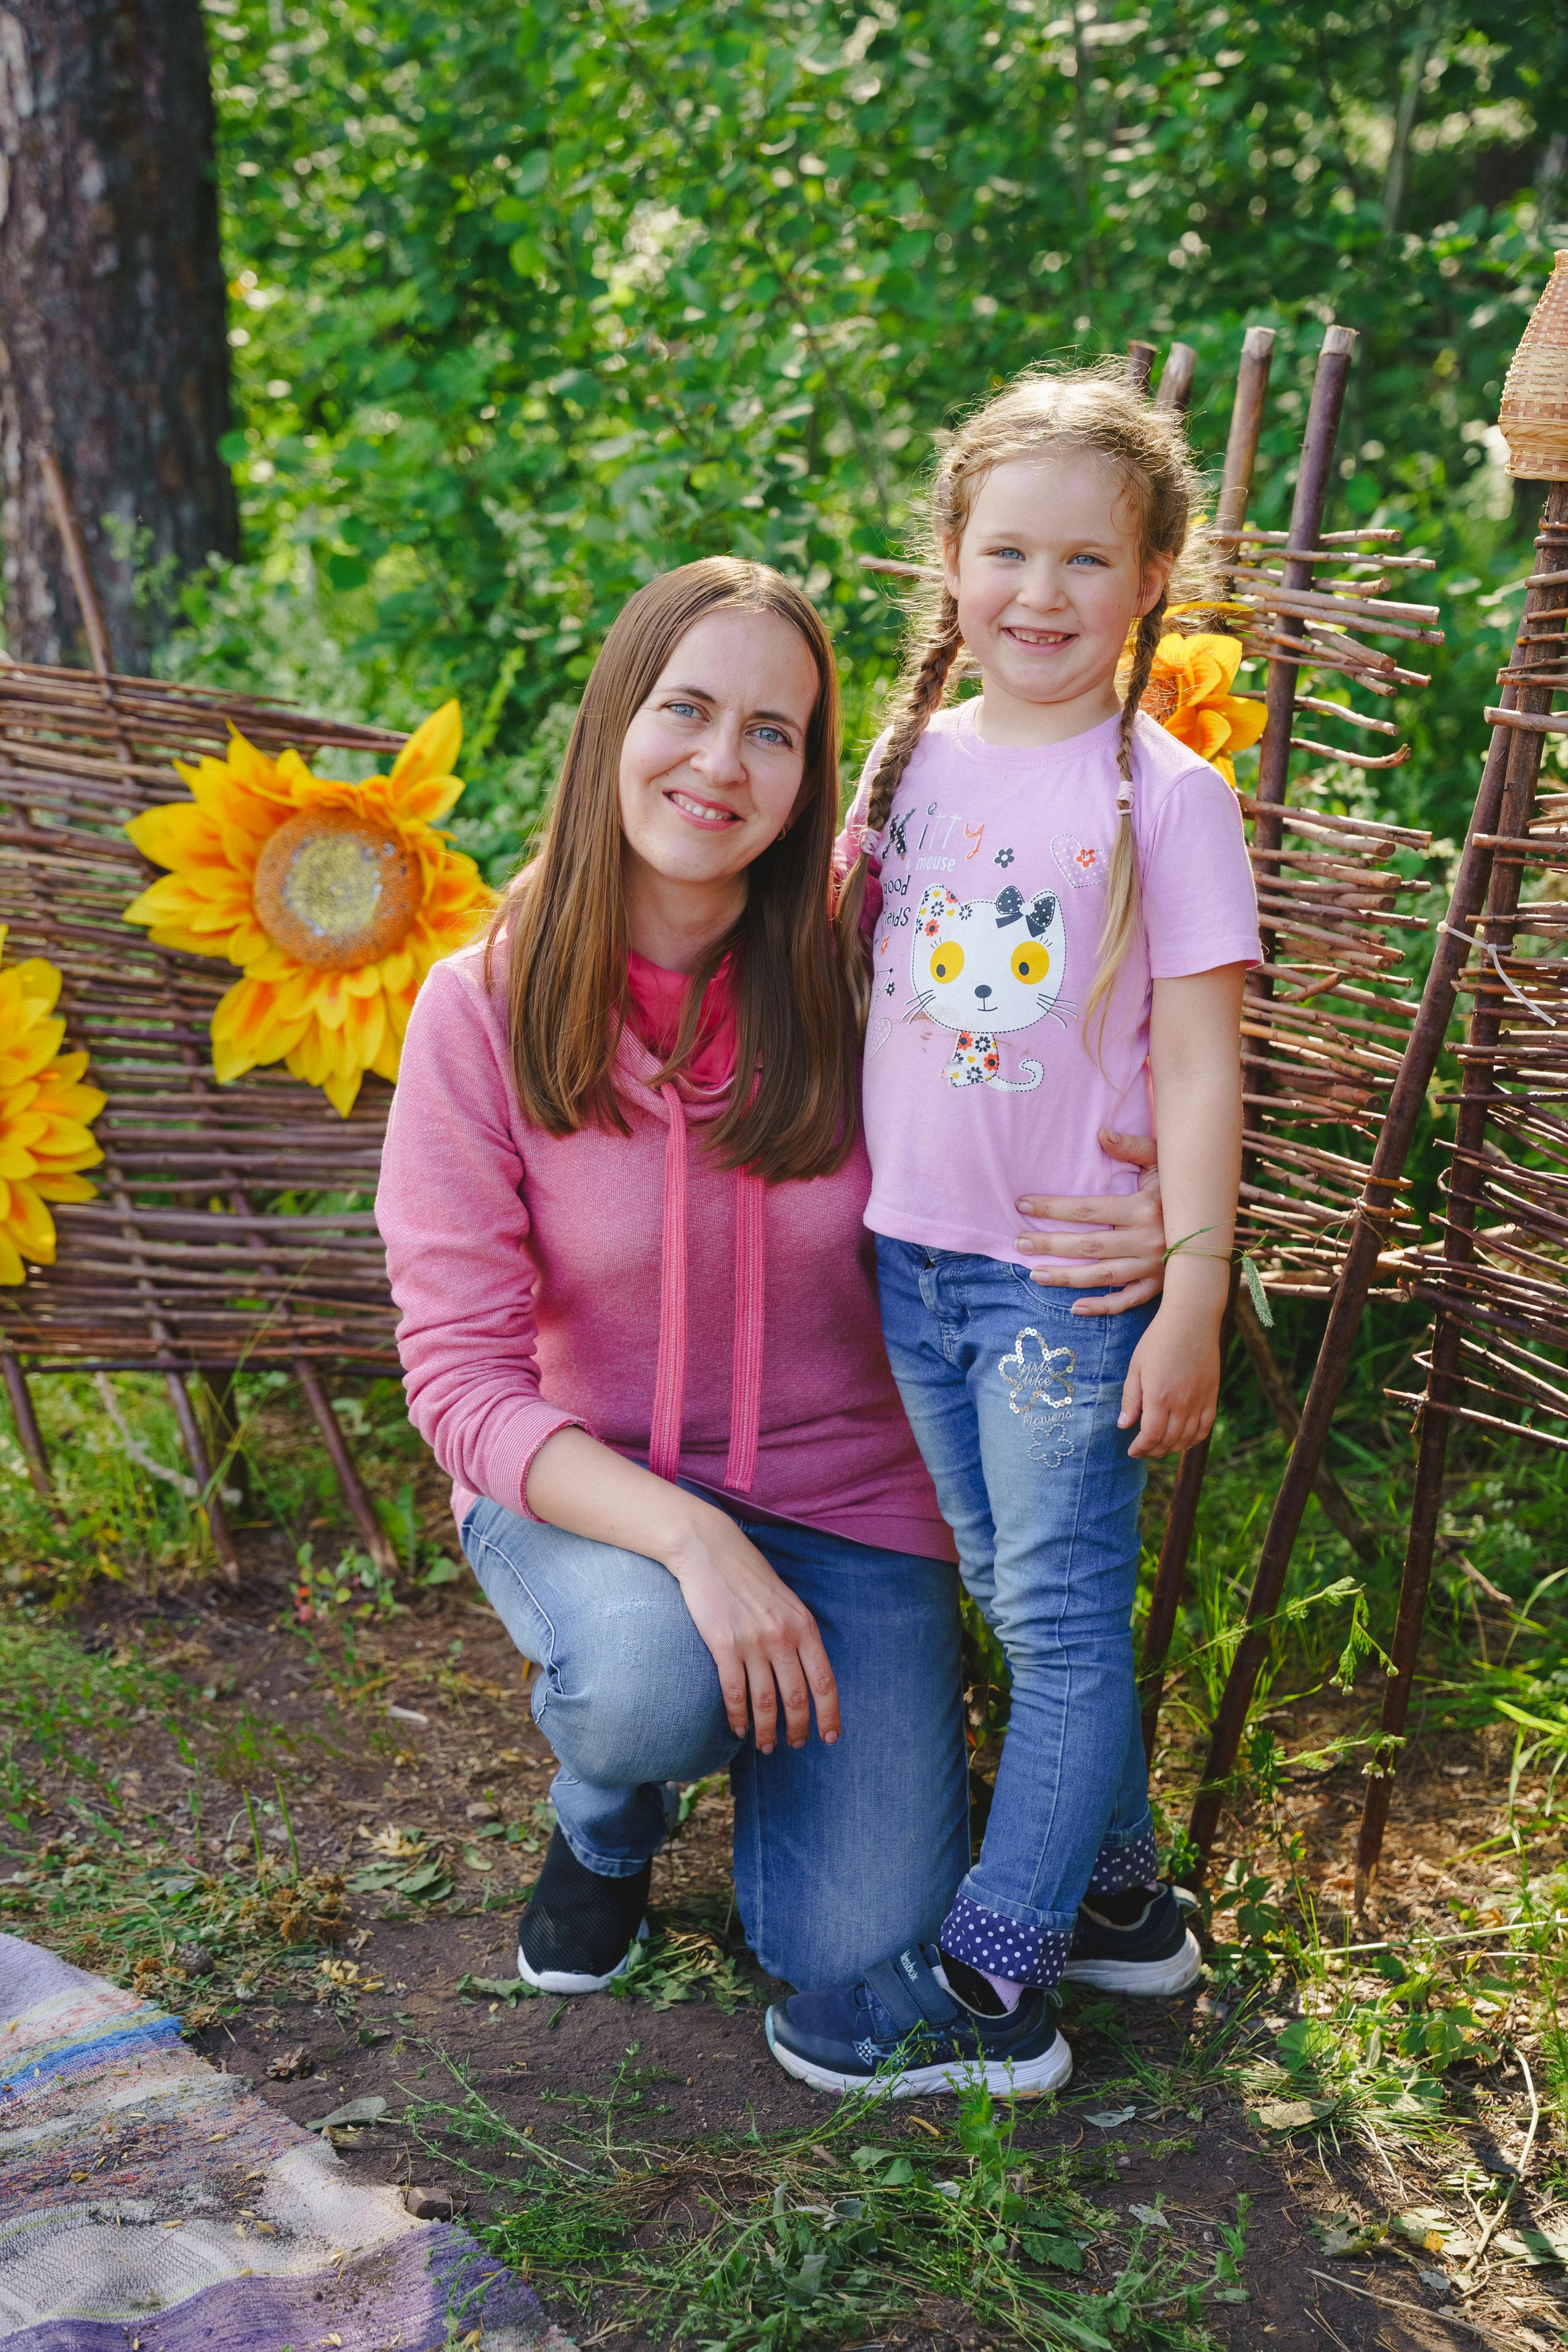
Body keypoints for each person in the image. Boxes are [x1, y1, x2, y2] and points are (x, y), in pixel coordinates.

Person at [375, 554, 1172, 1999]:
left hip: (853, 1510)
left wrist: (1164, 1207)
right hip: (593, 1503)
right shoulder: (479, 1007)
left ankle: (776, 1758)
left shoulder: (867, 970)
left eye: (772, 732)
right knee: (644, 1684)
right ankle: (612, 1818)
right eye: (686, 709)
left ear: (810, 779)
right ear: (614, 722)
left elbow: (1064, 1067)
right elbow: (458, 1382)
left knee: (850, 1950)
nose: (717, 763)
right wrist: (690, 1542)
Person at [764, 365, 1260, 2099]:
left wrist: (1192, 1283)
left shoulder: (1167, 798)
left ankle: (993, 1987)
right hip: (911, 1266)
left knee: (1055, 1626)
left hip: (1064, 1283)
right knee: (1010, 1590)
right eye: (1007, 554)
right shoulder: (910, 766)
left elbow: (1201, 1059)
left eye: (1084, 563)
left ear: (1151, 586)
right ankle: (1122, 1904)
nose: (1040, 596)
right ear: (953, 564)